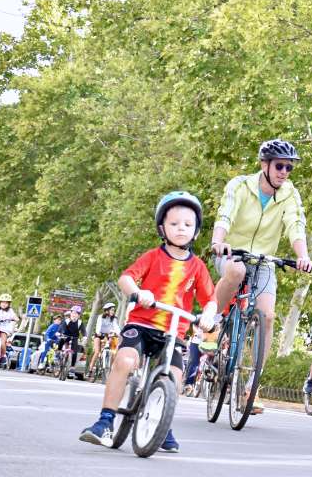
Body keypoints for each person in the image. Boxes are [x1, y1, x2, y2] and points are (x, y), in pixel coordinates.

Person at [79, 191, 216, 453]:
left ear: (196, 231)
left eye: (188, 224)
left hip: (174, 331)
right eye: (174, 223)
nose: (180, 229)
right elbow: (126, 278)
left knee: (175, 378)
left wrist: (209, 315)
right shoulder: (153, 256)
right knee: (125, 360)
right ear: (162, 227)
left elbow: (209, 299)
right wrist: (138, 292)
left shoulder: (198, 266)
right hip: (141, 325)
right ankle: (105, 420)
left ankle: (162, 424)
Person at [210, 139, 312, 415]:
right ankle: (213, 322)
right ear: (264, 164)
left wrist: (302, 255)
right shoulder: (240, 185)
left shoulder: (290, 193)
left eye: (289, 168)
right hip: (232, 252)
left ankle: (251, 389)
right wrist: (218, 240)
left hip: (265, 260)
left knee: (267, 317)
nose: (284, 172)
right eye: (280, 166)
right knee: (236, 271)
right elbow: (225, 215)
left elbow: (295, 225)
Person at [91, 303, 120, 368]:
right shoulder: (101, 317)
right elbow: (98, 326)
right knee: (97, 352)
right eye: (112, 310)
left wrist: (119, 334)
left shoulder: (114, 318)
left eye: (114, 310)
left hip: (109, 336)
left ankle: (111, 369)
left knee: (114, 352)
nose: (113, 312)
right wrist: (98, 332)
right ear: (107, 310)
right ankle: (91, 369)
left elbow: (116, 327)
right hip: (100, 335)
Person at [57, 306, 84, 372]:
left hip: (74, 338)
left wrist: (85, 336)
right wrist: (60, 333)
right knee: (62, 339)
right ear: (71, 314)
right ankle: (59, 351)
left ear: (79, 315)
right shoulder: (67, 321)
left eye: (76, 314)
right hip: (66, 336)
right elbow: (62, 328)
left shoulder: (80, 322)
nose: (74, 315)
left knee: (74, 352)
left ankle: (72, 366)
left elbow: (83, 331)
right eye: (73, 313)